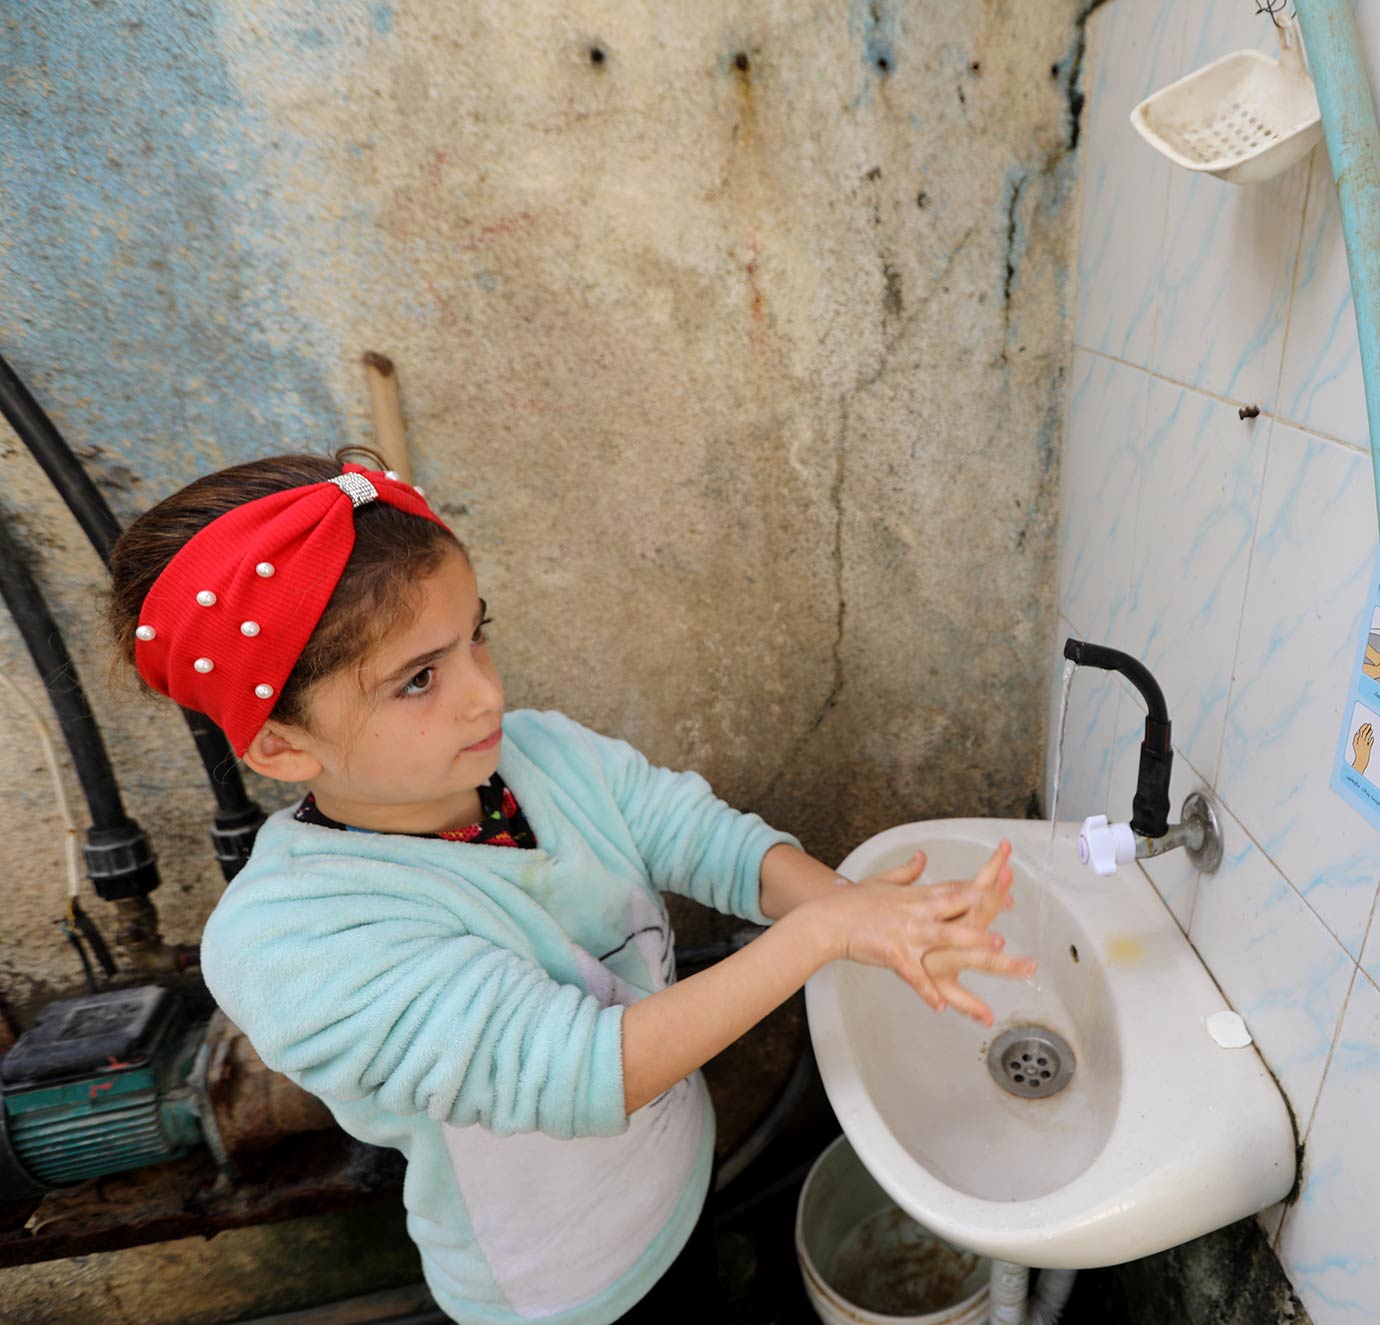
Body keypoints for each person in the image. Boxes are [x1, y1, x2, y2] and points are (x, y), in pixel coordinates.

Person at [102, 448, 1033, 1325]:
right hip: (562, 1289)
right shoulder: (293, 941)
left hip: (674, 1183)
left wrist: (857, 910)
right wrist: (827, 934)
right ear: (279, 744)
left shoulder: (540, 754)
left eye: (478, 637)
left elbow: (693, 834)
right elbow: (583, 1071)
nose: (484, 695)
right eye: (420, 678)